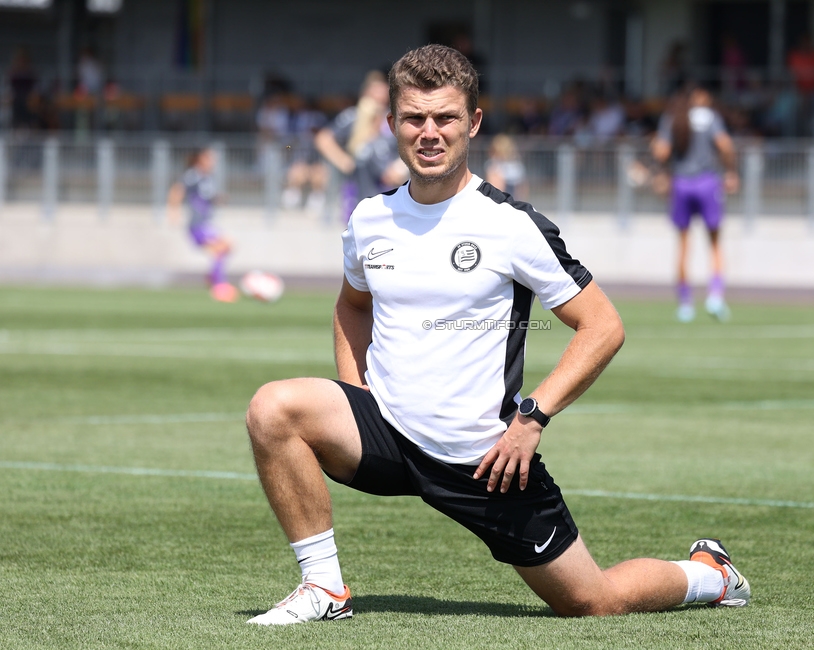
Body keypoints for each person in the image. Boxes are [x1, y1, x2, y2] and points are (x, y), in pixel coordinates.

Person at [245, 44, 750, 626]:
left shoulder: (512, 226)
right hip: (385, 435)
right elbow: (352, 304)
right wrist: (355, 394)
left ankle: (710, 574)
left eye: (445, 118)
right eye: (414, 118)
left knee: (590, 602)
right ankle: (324, 589)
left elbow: (603, 326)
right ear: (392, 126)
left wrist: (532, 418)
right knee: (273, 407)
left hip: (483, 460)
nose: (429, 132)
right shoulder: (368, 219)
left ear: (474, 123)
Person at [651, 87, 738, 322]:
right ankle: (716, 297)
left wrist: (660, 170)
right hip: (708, 182)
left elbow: (661, 151)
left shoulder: (673, 118)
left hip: (681, 184)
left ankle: (685, 304)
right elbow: (726, 146)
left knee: (683, 245)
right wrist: (730, 171)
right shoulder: (710, 117)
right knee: (716, 243)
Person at [315, 71, 391, 221]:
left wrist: (400, 168)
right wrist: (342, 160)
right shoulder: (352, 117)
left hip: (387, 189)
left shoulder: (392, 119)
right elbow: (323, 138)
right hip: (358, 191)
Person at [167, 148, 238, 303]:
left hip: (206, 223)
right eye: (209, 158)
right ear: (200, 159)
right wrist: (173, 211)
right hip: (198, 225)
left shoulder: (207, 178)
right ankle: (218, 285)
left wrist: (218, 199)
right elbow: (177, 189)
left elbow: (206, 197)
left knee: (226, 247)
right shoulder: (194, 175)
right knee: (223, 246)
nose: (212, 162)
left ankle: (215, 280)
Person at [484, 133, 527, 199]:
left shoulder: (494, 166)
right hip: (514, 202)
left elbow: (496, 188)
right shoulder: (517, 166)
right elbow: (522, 189)